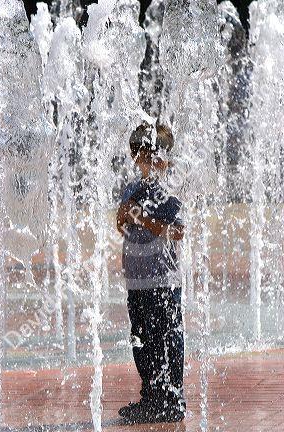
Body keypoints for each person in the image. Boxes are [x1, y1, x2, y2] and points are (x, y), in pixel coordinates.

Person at [116, 122, 186, 424]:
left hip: (162, 280)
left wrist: (141, 217)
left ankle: (171, 398)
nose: (141, 163)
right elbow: (120, 224)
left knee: (165, 339)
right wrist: (123, 216)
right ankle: (150, 396)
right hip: (136, 281)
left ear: (161, 158)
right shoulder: (131, 187)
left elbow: (177, 231)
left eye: (146, 156)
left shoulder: (168, 191)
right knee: (141, 339)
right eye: (138, 157)